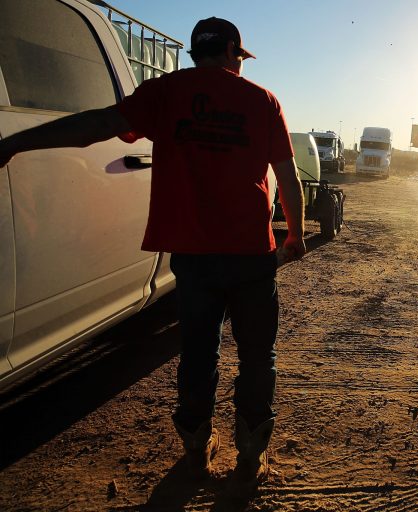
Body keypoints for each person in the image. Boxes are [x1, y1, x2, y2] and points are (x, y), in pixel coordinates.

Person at [0, 17, 306, 484]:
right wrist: (296, 236)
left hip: (193, 256)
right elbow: (288, 177)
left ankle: (196, 449)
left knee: (199, 355)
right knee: (257, 356)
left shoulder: (165, 93)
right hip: (250, 256)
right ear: (229, 52)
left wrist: (20, 141)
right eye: (239, 58)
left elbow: (97, 125)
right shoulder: (262, 100)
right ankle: (250, 455)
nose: (239, 66)